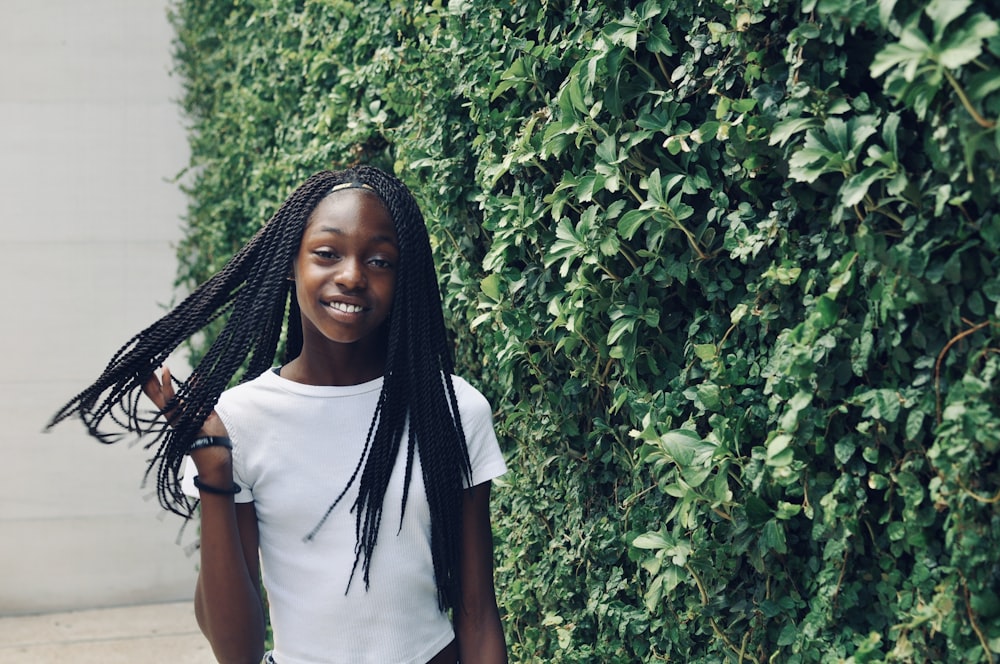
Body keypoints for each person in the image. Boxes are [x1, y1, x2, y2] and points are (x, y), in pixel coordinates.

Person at [47, 166, 509, 664]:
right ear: (291, 265)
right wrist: (214, 470)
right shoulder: (240, 421)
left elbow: (478, 612)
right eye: (327, 254)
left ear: (404, 279)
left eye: (380, 260)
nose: (352, 275)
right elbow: (236, 650)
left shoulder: (453, 409)